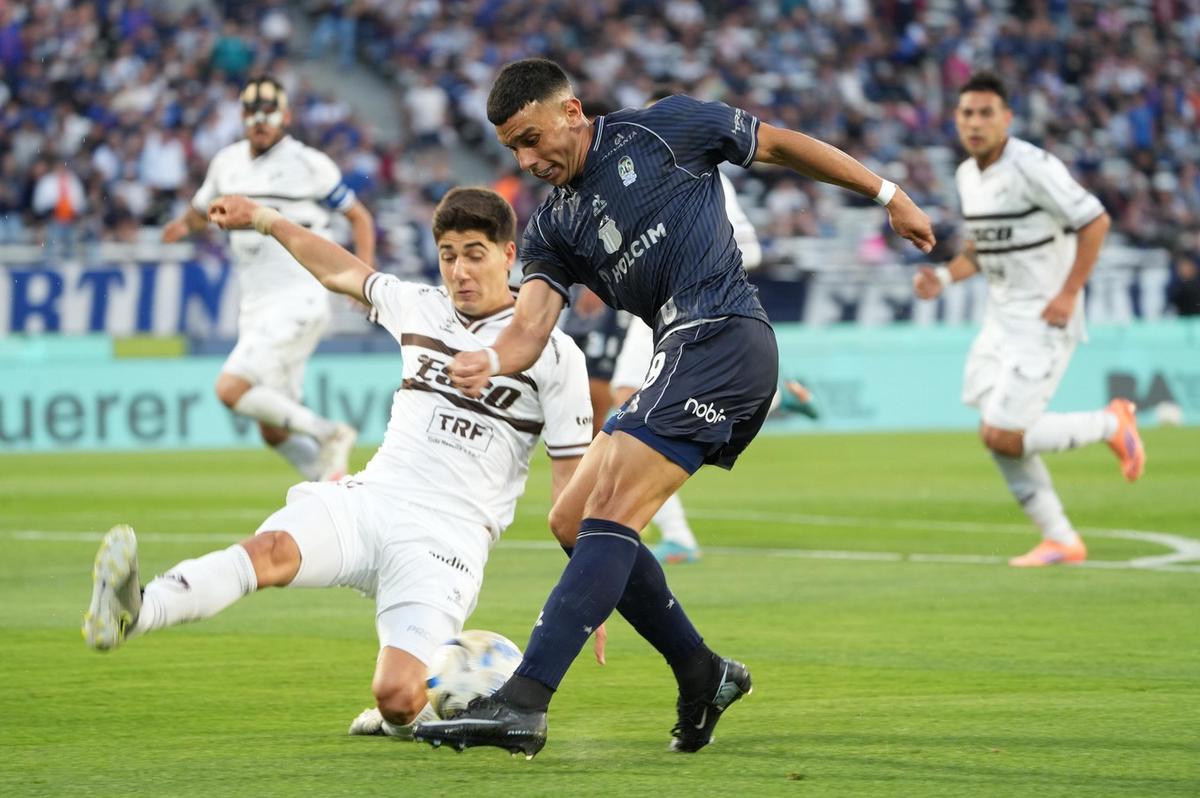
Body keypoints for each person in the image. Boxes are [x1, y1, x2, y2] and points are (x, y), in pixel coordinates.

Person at [413, 57, 935, 757]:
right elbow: (531, 327)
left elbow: (778, 144)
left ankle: (525, 702)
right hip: (680, 351)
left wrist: (887, 192)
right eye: (514, 149)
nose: (527, 159)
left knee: (610, 509)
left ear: (571, 112)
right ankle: (702, 672)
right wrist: (491, 359)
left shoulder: (666, 130)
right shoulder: (555, 226)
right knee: (571, 519)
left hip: (725, 334)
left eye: (533, 139)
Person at [83, 187, 595, 739]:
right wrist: (264, 217)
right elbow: (339, 271)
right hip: (371, 500)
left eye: (474, 253)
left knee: (398, 698)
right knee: (269, 551)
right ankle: (138, 609)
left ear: (507, 253)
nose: (460, 271)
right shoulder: (419, 306)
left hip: (448, 539)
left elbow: (572, 487)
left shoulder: (558, 356)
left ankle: (406, 716)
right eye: (448, 254)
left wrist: (588, 591)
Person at [912, 71, 1144, 568]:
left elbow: (1095, 220)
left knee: (1004, 433)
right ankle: (1061, 539)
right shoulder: (967, 176)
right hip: (1001, 318)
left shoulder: (1033, 165)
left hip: (1045, 316)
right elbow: (982, 248)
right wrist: (945, 279)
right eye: (967, 113)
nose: (975, 123)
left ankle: (1110, 423)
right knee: (993, 432)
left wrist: (1067, 294)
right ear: (956, 119)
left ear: (1007, 118)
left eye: (985, 113)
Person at [162, 76, 374, 481]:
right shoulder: (226, 163)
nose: (261, 120)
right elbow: (200, 210)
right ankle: (337, 489)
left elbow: (359, 216)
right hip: (256, 305)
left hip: (300, 296)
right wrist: (180, 227)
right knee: (272, 428)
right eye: (252, 112)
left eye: (269, 111)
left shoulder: (310, 164)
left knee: (230, 389)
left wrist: (363, 280)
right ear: (242, 117)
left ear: (286, 116)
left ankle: (329, 433)